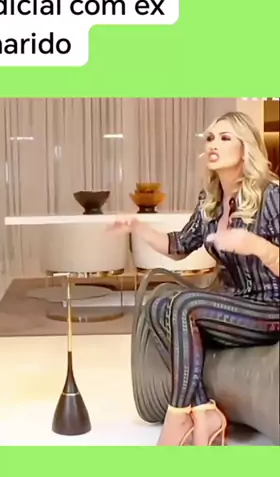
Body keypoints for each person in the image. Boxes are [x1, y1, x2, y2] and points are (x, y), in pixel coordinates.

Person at [112, 111, 280, 446]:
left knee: (184, 303)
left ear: (245, 149)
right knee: (158, 304)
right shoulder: (212, 200)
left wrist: (257, 246)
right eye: (210, 138)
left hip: (271, 308)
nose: (213, 144)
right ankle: (203, 409)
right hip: (236, 303)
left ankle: (178, 415)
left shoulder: (272, 196)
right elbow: (179, 246)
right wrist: (138, 227)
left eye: (225, 138)